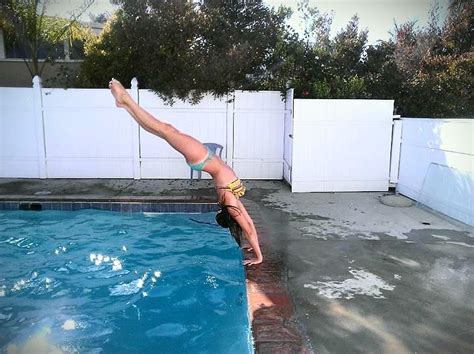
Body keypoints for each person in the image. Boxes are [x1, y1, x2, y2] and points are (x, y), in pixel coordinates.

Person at [109, 78, 263, 265]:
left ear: (231, 214)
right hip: (203, 159)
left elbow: (247, 227)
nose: (241, 214)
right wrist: (254, 249)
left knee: (164, 129)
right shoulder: (233, 201)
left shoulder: (229, 200)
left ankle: (126, 100)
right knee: (163, 130)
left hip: (203, 158)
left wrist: (258, 257)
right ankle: (125, 105)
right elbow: (249, 225)